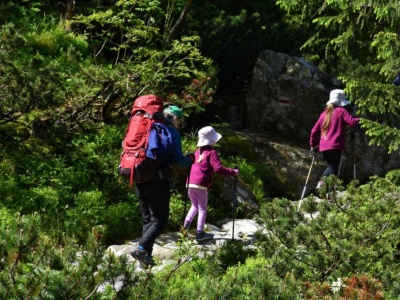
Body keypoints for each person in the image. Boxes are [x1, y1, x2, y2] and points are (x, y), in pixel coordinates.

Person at [130, 103, 193, 268]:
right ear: (176, 118)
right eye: (179, 120)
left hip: (139, 175)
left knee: (148, 220)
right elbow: (179, 160)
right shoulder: (170, 130)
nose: (179, 123)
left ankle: (146, 259)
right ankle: (142, 248)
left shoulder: (147, 126)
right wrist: (191, 159)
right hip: (157, 179)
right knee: (160, 220)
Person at [182, 126, 239, 242]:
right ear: (212, 140)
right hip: (201, 184)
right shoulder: (212, 152)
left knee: (194, 205)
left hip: (190, 183)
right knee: (202, 208)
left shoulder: (197, 152)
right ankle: (200, 233)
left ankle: (185, 227)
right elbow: (218, 169)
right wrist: (233, 172)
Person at [310, 89, 360, 192]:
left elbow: (314, 130)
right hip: (336, 146)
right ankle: (327, 190)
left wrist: (313, 145)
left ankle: (324, 186)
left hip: (323, 147)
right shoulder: (341, 111)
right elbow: (351, 122)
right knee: (334, 169)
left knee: (331, 165)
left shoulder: (323, 114)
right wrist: (359, 120)